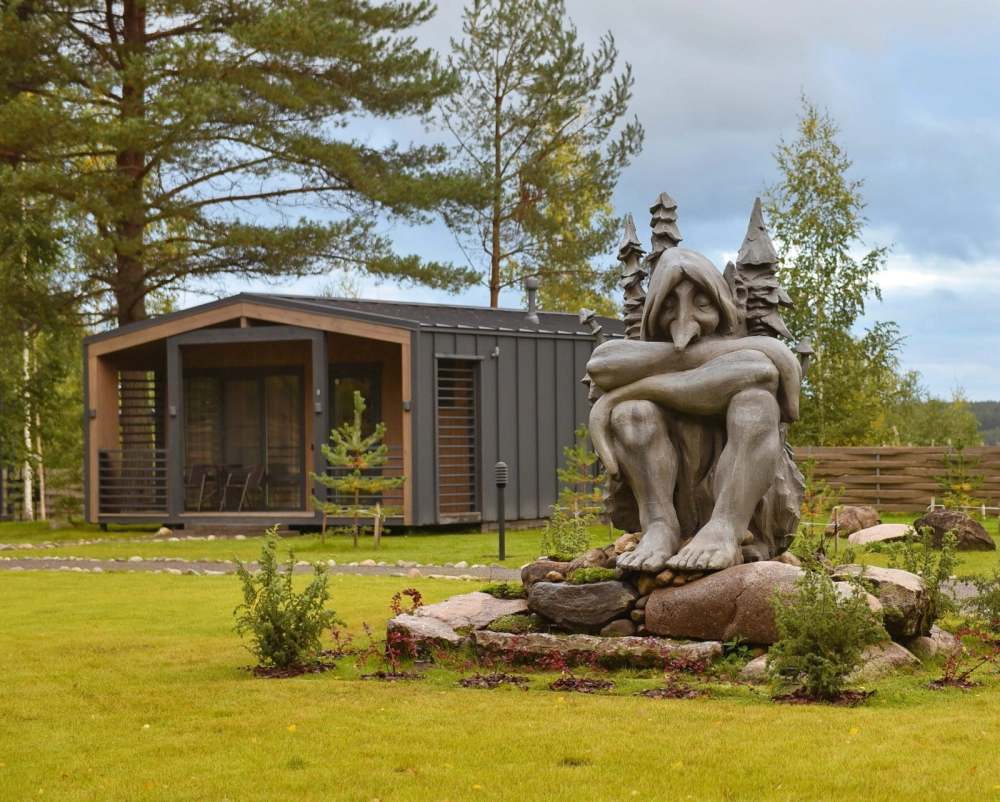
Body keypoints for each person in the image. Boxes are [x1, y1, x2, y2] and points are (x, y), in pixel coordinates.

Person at [587, 247, 802, 574]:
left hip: (736, 484)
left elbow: (760, 371)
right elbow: (601, 365)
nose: (683, 324)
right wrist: (708, 366)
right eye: (669, 306)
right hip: (662, 475)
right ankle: (660, 526)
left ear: (722, 307)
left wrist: (636, 385)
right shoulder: (741, 350)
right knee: (631, 412)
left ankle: (725, 528)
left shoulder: (746, 356)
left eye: (702, 305)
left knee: (756, 404)